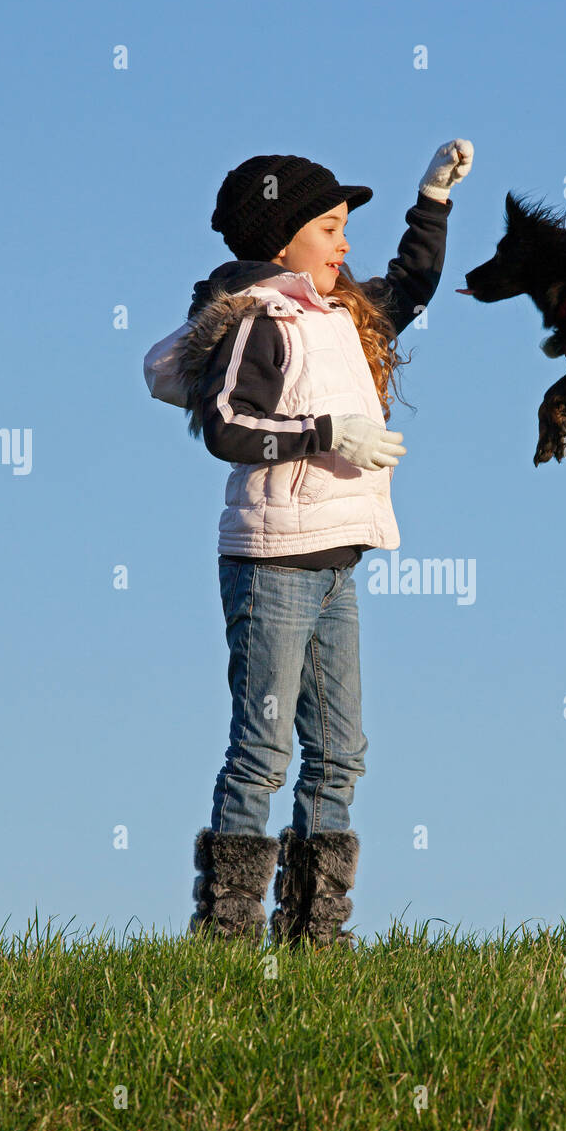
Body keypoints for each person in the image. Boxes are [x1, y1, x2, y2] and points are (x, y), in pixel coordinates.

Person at [143, 141, 474, 949]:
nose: (345, 244)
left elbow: (414, 286)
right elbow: (227, 429)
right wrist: (332, 433)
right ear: (282, 242)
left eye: (346, 228)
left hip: (337, 562)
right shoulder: (260, 320)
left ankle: (314, 937)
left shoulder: (340, 314)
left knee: (340, 754)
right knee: (262, 750)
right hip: (271, 562)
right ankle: (225, 937)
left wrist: (432, 199)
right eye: (330, 228)